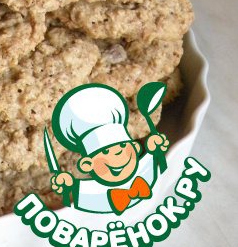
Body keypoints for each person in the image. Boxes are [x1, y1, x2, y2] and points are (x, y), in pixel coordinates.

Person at [50, 83, 169, 214]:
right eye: (106, 152)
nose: (117, 156)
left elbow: (162, 166)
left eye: (122, 147)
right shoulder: (90, 193)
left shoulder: (145, 170)